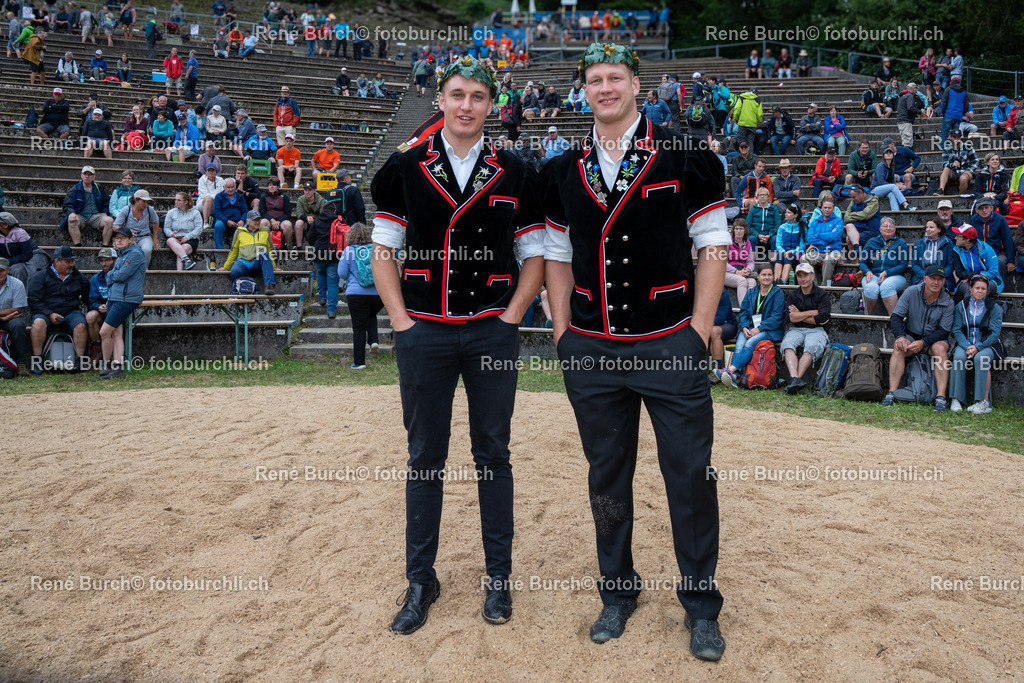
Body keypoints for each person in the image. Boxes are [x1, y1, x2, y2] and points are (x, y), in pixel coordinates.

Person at [543, 43, 728, 659]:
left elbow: (712, 246)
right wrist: (564, 332)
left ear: (636, 83)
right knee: (606, 477)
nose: (604, 88)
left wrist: (699, 327)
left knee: (690, 475)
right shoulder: (562, 169)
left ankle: (701, 603)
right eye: (593, 79)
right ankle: (617, 591)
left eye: (614, 77)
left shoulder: (688, 156)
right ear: (583, 90)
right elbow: (558, 257)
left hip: (669, 342)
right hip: (593, 351)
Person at [371, 55, 545, 637]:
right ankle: (421, 579)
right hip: (425, 329)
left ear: (491, 105)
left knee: (493, 453)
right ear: (440, 100)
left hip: (491, 328)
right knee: (425, 456)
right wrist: (401, 321)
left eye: (477, 96)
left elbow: (534, 255)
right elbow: (385, 248)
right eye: (456, 94)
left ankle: (499, 576)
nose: (466, 105)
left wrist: (513, 316)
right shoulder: (405, 166)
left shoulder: (514, 169)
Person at [882, 265, 954, 411]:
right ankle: (891, 392)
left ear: (944, 281)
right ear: (925, 279)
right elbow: (896, 317)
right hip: (911, 335)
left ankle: (940, 397)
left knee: (940, 350)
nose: (936, 282)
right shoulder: (911, 291)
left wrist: (924, 342)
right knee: (898, 347)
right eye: (933, 278)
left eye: (940, 279)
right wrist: (900, 336)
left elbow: (944, 331)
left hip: (934, 339)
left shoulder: (948, 300)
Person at [716, 264, 785, 387]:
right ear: (758, 276)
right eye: (764, 274)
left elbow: (777, 317)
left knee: (749, 343)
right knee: (739, 345)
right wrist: (745, 327)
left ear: (773, 276)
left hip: (770, 330)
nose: (767, 277)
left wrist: (759, 328)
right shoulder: (752, 292)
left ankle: (729, 371)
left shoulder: (777, 293)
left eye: (770, 275)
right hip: (751, 328)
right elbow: (743, 312)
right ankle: (735, 376)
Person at [28, 245, 90, 373]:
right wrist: (49, 314)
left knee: (81, 324)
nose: (71, 264)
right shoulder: (40, 276)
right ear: (57, 261)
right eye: (68, 261)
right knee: (38, 323)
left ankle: (80, 360)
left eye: (72, 261)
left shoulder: (79, 278)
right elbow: (34, 301)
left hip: (70, 312)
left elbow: (88, 298)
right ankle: (37, 360)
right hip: (46, 312)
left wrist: (97, 308)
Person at [949, 274, 1003, 414]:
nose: (980, 291)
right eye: (977, 288)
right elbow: (956, 329)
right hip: (965, 342)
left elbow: (995, 334)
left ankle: (982, 402)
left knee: (981, 358)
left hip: (987, 343)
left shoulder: (994, 307)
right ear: (970, 288)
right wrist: (967, 346)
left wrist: (978, 346)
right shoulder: (961, 306)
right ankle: (956, 399)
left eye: (983, 288)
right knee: (959, 358)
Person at [97, 225, 145, 379]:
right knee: (116, 333)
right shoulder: (122, 254)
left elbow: (120, 275)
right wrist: (113, 275)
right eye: (117, 238)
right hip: (115, 297)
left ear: (131, 239)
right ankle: (117, 368)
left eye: (122, 238)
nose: (119, 240)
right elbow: (113, 275)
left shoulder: (135, 254)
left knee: (104, 332)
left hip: (125, 299)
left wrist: (111, 275)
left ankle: (106, 365)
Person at [336, 223, 382, 367]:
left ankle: (359, 362)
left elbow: (341, 273)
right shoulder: (376, 250)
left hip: (356, 293)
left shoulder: (348, 251)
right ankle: (374, 340)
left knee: (359, 328)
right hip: (377, 293)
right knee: (371, 315)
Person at [780, 263, 831, 393]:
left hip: (817, 330)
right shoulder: (793, 294)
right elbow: (789, 317)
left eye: (806, 275)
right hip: (796, 329)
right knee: (787, 344)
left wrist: (799, 314)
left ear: (812, 276)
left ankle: (794, 380)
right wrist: (811, 312)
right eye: (800, 276)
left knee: (812, 346)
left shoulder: (822, 294)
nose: (803, 279)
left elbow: (823, 318)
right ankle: (795, 379)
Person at [305, 187, 344, 316]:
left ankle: (322, 297)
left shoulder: (317, 221)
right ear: (334, 210)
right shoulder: (338, 221)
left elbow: (310, 239)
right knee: (333, 283)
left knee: (321, 274)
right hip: (334, 255)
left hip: (319, 254)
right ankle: (331, 310)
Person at [860, 217, 909, 315]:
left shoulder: (901, 243)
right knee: (871, 288)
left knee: (887, 286)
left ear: (895, 230)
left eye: (891, 226)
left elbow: (903, 265)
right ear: (880, 229)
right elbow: (862, 262)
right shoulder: (871, 242)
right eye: (885, 226)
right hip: (873, 274)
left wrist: (887, 272)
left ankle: (894, 319)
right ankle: (868, 318)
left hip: (895, 276)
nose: (888, 228)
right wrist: (867, 271)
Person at [219, 210, 277, 294]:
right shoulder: (239, 231)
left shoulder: (265, 230)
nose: (257, 222)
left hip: (258, 262)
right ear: (247, 221)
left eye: (258, 220)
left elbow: (270, 249)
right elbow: (234, 250)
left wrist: (273, 266)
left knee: (265, 254)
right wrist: (226, 267)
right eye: (254, 220)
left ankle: (269, 285)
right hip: (243, 261)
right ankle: (238, 287)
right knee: (235, 271)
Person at [62, 166, 112, 247]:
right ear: (81, 175)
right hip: (80, 215)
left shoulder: (98, 188)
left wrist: (104, 212)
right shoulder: (75, 189)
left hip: (95, 216)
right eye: (85, 174)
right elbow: (67, 204)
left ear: (94, 176)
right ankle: (77, 245)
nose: (87, 176)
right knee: (72, 220)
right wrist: (71, 213)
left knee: (109, 220)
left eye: (90, 174)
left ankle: (105, 246)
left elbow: (106, 201)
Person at [952, 224, 1002, 297]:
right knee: (969, 289)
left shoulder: (986, 249)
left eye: (958, 236)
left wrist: (976, 277)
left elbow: (994, 271)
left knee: (981, 289)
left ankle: (983, 308)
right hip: (966, 280)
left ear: (968, 239)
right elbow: (959, 273)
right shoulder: (957, 250)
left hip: (990, 279)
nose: (955, 238)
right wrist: (976, 275)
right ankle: (968, 308)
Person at [802, 197, 844, 284]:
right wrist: (826, 238)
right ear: (821, 209)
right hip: (818, 252)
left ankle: (825, 287)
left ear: (833, 209)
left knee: (828, 259)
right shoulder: (815, 222)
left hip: (835, 251)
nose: (827, 210)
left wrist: (817, 235)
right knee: (803, 258)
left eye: (829, 208)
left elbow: (834, 237)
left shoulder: (838, 221)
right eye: (825, 207)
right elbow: (810, 239)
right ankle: (814, 285)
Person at [969, 196, 1014, 277]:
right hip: (979, 253)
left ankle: (1001, 287)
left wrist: (1011, 261)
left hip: (997, 253)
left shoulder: (1000, 219)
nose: (984, 210)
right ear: (976, 210)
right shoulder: (973, 220)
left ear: (991, 208)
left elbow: (1008, 240)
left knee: (1000, 262)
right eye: (981, 208)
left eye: (986, 207)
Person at [112, 189, 159, 266]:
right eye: (143, 201)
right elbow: (115, 225)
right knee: (131, 251)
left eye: (147, 201)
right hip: (130, 237)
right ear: (136, 200)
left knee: (146, 250)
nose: (145, 204)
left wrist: (155, 238)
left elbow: (156, 221)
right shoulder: (126, 209)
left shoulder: (149, 209)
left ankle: (144, 269)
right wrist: (126, 232)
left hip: (145, 236)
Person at [0, 257, 30, 375]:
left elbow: (17, 309)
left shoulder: (17, 284)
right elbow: (12, 310)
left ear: (8, 270)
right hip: (6, 316)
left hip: (11, 319)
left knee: (18, 325)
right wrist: (2, 317)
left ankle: (21, 363)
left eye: (1, 270)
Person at [0, 212, 48, 285]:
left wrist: (9, 261)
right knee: (17, 269)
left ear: (5, 225)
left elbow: (27, 254)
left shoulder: (20, 233)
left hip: (32, 255)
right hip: (15, 258)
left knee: (28, 270)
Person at [85, 246, 115, 361]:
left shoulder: (121, 276)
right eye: (101, 261)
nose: (104, 264)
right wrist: (98, 306)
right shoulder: (95, 279)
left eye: (107, 260)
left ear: (115, 260)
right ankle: (97, 347)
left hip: (117, 309)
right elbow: (91, 300)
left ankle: (115, 354)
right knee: (90, 316)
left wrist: (111, 306)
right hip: (102, 310)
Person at [911, 218, 956, 291]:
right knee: (924, 286)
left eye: (931, 227)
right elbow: (915, 264)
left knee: (938, 285)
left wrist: (939, 275)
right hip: (923, 276)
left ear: (939, 229)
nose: (928, 229)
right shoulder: (918, 244)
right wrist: (926, 276)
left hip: (942, 276)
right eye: (927, 227)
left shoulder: (948, 243)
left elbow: (950, 264)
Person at [163, 191, 203, 270]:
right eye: (175, 200)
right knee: (170, 241)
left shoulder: (195, 213)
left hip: (190, 239)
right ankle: (186, 260)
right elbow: (166, 227)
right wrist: (171, 234)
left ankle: (179, 273)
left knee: (181, 252)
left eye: (179, 200)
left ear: (186, 202)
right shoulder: (171, 212)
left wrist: (187, 237)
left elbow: (199, 228)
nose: (176, 202)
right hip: (176, 238)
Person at [871, 148, 918, 212]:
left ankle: (896, 212)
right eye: (886, 153)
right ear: (883, 156)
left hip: (886, 189)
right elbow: (881, 182)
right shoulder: (880, 166)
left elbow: (892, 181)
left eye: (890, 153)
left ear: (893, 155)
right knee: (893, 187)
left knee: (892, 194)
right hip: (875, 190)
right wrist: (896, 185)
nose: (888, 154)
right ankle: (906, 204)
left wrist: (898, 184)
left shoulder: (891, 166)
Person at [706, 287, 738, 380]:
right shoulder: (697, 292)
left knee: (714, 331)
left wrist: (702, 324)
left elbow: (720, 318)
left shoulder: (721, 292)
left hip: (728, 324)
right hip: (707, 325)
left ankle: (717, 370)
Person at [938, 128, 978, 195]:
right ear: (950, 138)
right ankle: (941, 190)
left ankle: (960, 196)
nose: (957, 139)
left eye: (958, 137)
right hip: (952, 172)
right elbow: (944, 164)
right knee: (946, 169)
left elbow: (976, 161)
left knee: (964, 178)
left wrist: (970, 170)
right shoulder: (947, 148)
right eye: (954, 137)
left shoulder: (968, 147)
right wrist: (952, 165)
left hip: (965, 171)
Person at [211, 177, 247, 249]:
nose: (230, 189)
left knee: (248, 226)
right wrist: (227, 220)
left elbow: (245, 211)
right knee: (218, 225)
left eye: (232, 187)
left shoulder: (240, 197)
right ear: (224, 187)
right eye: (228, 187)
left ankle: (245, 249)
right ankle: (219, 248)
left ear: (235, 187)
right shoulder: (218, 197)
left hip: (238, 220)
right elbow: (216, 212)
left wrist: (242, 220)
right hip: (224, 220)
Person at [724, 219, 755, 304]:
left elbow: (750, 261)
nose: (738, 231)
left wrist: (748, 269)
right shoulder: (727, 242)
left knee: (752, 282)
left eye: (741, 229)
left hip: (742, 270)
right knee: (742, 281)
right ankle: (744, 310)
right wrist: (736, 271)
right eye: (736, 229)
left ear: (745, 230)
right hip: (727, 272)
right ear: (733, 230)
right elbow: (723, 262)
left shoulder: (747, 243)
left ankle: (751, 309)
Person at [773, 204, 805, 284]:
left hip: (796, 253)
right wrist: (783, 251)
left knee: (789, 258)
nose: (785, 214)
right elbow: (778, 244)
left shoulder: (802, 228)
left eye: (789, 212)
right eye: (786, 212)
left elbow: (802, 246)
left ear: (795, 215)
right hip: (783, 252)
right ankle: (776, 280)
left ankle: (783, 281)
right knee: (779, 256)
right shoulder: (782, 227)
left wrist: (791, 252)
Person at [258, 178, 294, 248]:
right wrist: (271, 220)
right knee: (263, 223)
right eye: (270, 185)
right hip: (268, 220)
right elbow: (262, 212)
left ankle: (287, 246)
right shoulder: (264, 197)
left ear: (278, 187)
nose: (271, 187)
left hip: (281, 221)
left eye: (274, 185)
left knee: (288, 225)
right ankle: (263, 246)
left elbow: (288, 213)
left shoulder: (284, 197)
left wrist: (278, 221)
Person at [843, 184, 880, 248]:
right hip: (857, 229)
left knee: (853, 239)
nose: (852, 199)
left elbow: (865, 215)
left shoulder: (873, 201)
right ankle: (855, 256)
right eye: (851, 197)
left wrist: (852, 214)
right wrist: (859, 215)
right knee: (848, 238)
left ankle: (859, 254)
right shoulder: (853, 202)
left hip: (871, 231)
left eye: (854, 197)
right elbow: (846, 218)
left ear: (861, 193)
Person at [294, 182, 322, 248]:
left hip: (317, 222)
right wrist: (306, 218)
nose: (307, 192)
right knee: (298, 223)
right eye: (305, 190)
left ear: (314, 190)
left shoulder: (320, 200)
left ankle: (319, 246)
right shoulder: (301, 199)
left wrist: (314, 220)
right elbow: (299, 214)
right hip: (305, 221)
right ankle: (299, 247)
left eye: (309, 190)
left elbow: (322, 215)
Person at [896, 83, 922, 148]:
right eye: (915, 88)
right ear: (913, 88)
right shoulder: (910, 96)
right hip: (906, 120)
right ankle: (905, 156)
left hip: (901, 120)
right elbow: (910, 107)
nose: (916, 90)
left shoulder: (903, 96)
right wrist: (919, 112)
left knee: (905, 139)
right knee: (907, 142)